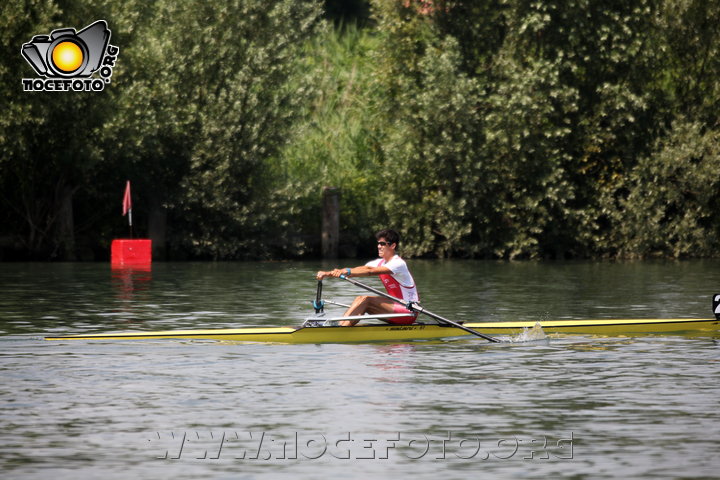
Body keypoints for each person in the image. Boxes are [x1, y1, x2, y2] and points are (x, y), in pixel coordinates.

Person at [316, 229, 419, 326]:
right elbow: (360, 269)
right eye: (378, 243)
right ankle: (342, 325)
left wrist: (347, 271)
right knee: (360, 299)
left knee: (366, 300)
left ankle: (339, 328)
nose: (379, 246)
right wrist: (329, 273)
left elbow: (370, 271)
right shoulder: (379, 263)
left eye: (383, 244)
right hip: (395, 307)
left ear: (393, 246)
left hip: (408, 311)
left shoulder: (398, 263)